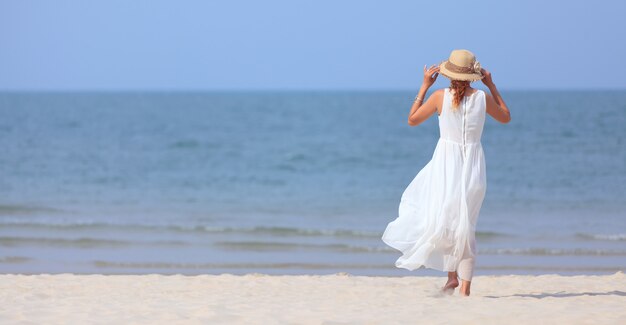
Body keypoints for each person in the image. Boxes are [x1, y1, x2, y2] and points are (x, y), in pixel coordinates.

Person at [381, 49, 510, 296]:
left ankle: (460, 287)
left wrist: (423, 86)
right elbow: (506, 117)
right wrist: (492, 86)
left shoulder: (439, 96)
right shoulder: (482, 98)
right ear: (474, 76)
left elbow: (412, 119)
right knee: (465, 226)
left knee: (449, 223)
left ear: (448, 74)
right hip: (473, 169)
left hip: (446, 167)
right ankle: (458, 283)